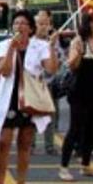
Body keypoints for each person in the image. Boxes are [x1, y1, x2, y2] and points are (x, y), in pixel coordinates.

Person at [0, 9, 58, 184]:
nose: (19, 27)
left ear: (30, 27)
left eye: (23, 23)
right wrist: (12, 48)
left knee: (25, 143)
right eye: (16, 23)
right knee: (3, 142)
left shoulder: (40, 46)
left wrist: (51, 47)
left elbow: (51, 69)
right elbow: (4, 71)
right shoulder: (3, 45)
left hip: (30, 98)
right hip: (9, 98)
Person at [58, 13, 93, 181]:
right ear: (91, 23)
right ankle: (64, 167)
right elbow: (71, 65)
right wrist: (79, 54)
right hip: (79, 92)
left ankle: (86, 164)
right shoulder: (79, 41)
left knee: (92, 128)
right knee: (75, 129)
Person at [34, 10, 61, 156]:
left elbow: (56, 65)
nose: (43, 27)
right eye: (40, 23)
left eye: (46, 24)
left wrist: (52, 46)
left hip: (48, 83)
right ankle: (30, 144)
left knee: (50, 115)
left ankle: (49, 146)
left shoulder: (53, 42)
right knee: (31, 113)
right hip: (33, 83)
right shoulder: (30, 42)